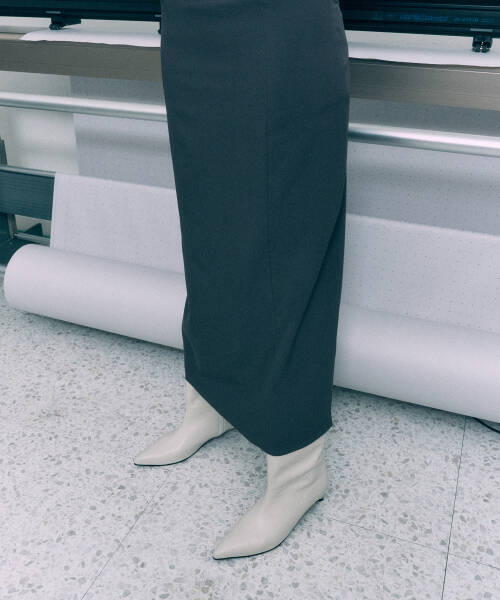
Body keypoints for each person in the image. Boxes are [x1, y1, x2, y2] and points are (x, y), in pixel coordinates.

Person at [135, 0, 350, 559]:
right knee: (207, 227)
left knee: (286, 245)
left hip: (280, 24)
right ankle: (210, 401)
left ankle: (299, 468)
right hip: (190, 26)